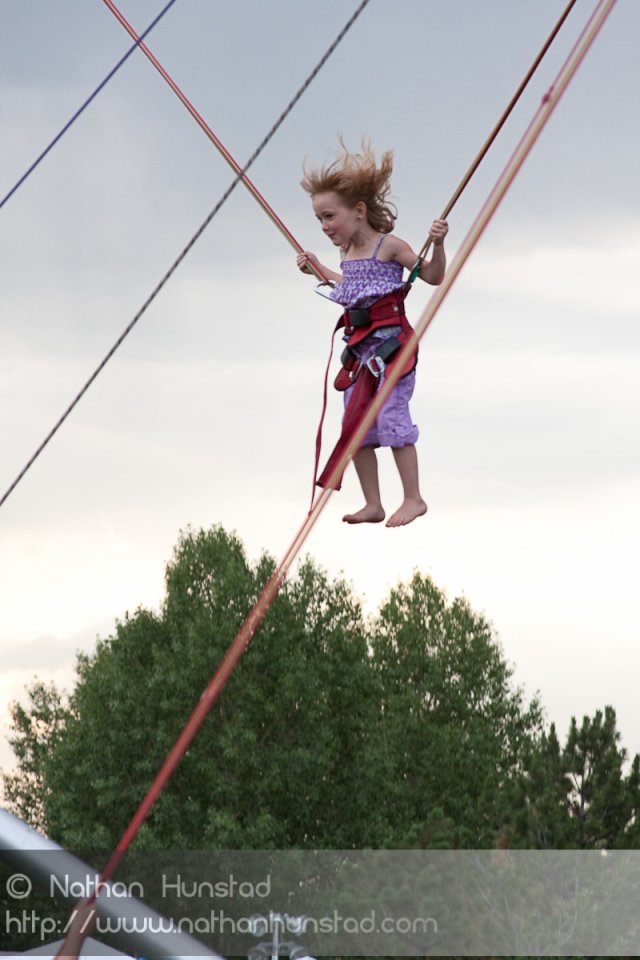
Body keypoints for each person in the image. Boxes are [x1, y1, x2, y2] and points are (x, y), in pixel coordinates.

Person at [297, 140, 448, 527]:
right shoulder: (346, 253)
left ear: (358, 211)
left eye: (329, 216)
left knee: (392, 418)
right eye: (320, 220)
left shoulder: (389, 247)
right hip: (361, 353)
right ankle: (373, 503)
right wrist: (316, 267)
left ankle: (414, 498)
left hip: (392, 348)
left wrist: (440, 242)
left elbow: (432, 276)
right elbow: (346, 288)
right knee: (356, 425)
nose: (325, 226)